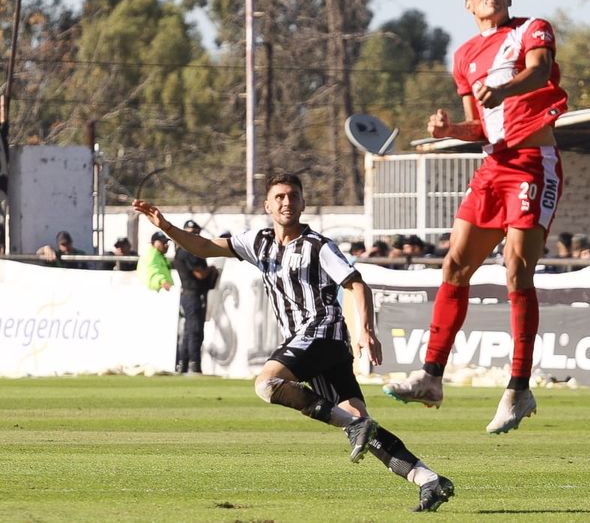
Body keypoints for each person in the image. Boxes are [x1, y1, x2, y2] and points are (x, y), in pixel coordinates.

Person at [132, 174, 454, 511]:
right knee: (360, 422)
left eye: (293, 196)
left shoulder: (318, 245)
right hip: (314, 345)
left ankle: (357, 427)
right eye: (280, 196)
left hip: (322, 332)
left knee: (267, 383)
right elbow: (204, 247)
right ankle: (427, 479)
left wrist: (366, 331)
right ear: (268, 205)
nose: (287, 202)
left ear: (303, 203)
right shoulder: (257, 242)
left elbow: (357, 285)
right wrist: (166, 226)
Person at [382, 0, 567, 436]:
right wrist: (449, 132)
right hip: (492, 164)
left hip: (532, 161)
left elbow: (540, 71)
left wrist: (504, 89)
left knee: (516, 269)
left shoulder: (531, 29)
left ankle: (519, 387)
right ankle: (431, 377)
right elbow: (479, 127)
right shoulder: (464, 55)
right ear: (468, 5)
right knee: (454, 266)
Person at [172, 219, 217, 375]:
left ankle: (183, 365)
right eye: (192, 233)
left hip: (189, 294)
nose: (196, 235)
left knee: (188, 331)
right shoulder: (188, 251)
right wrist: (212, 269)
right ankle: (194, 365)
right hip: (192, 294)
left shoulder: (182, 250)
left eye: (197, 232)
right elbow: (200, 273)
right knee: (195, 330)